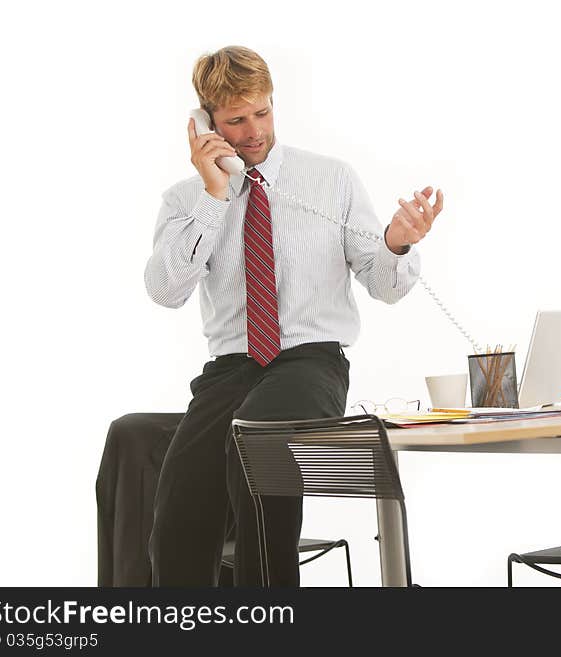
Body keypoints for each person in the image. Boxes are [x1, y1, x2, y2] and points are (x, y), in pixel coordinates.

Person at [144, 45, 443, 586]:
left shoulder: (331, 179)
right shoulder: (186, 200)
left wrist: (397, 244)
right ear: (205, 124)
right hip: (231, 369)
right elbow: (166, 290)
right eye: (236, 120)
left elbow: (384, 284)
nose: (254, 131)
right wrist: (215, 195)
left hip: (310, 363)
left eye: (262, 112)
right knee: (178, 517)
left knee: (255, 445)